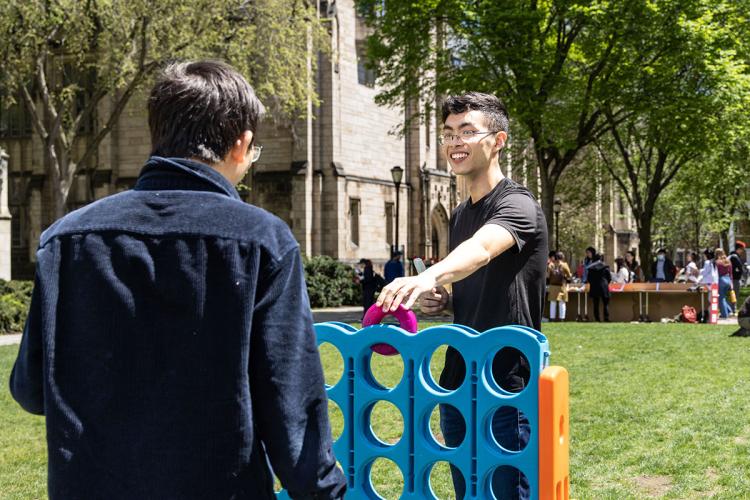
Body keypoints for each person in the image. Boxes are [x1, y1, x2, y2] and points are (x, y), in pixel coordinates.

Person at [9, 61, 346, 500]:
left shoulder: (66, 239)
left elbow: (31, 389)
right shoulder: (262, 240)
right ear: (241, 145)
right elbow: (292, 410)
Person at [375, 93, 547, 500]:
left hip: (507, 381)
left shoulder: (517, 203)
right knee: (468, 492)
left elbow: (484, 249)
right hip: (456, 378)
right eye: (449, 133)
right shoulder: (459, 213)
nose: (455, 142)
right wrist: (443, 299)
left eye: (468, 132)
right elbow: (475, 280)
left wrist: (427, 274)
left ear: (498, 140)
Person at [586, 254, 612, 322]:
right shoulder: (605, 267)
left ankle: (597, 319)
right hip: (604, 286)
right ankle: (606, 318)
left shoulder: (591, 268)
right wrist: (606, 283)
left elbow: (588, 279)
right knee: (605, 303)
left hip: (594, 287)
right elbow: (609, 278)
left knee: (596, 304)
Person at [547, 252, 572, 321]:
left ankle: (552, 318)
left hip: (552, 286)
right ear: (562, 257)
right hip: (561, 286)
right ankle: (562, 318)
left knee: (553, 302)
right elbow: (569, 275)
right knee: (562, 302)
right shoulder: (564, 265)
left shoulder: (551, 265)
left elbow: (548, 276)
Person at [715, 248, 734, 318]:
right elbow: (731, 273)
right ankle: (729, 311)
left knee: (720, 298)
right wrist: (731, 283)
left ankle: (724, 315)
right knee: (723, 297)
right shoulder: (728, 261)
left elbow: (715, 274)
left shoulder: (717, 262)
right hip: (728, 280)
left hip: (721, 280)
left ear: (716, 254)